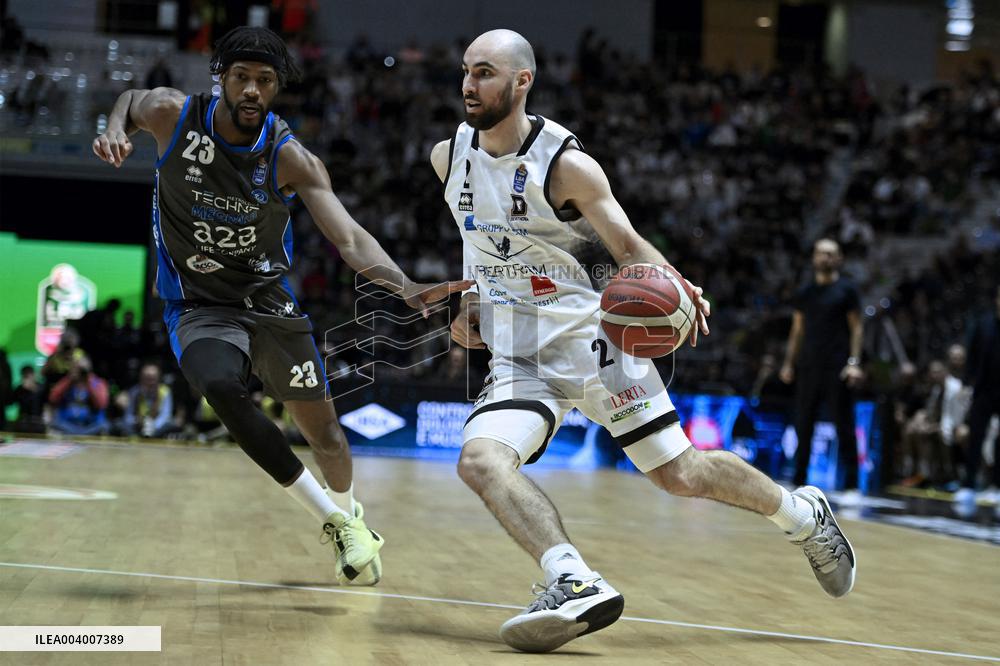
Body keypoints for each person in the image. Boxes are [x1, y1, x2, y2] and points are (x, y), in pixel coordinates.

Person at [434, 30, 856, 654]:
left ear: (523, 82)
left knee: (681, 475)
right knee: (479, 460)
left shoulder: (566, 165)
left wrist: (678, 287)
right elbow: (482, 238)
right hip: (520, 352)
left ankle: (803, 517)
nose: (470, 85)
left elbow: (628, 249)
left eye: (486, 73)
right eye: (467, 72)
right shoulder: (449, 157)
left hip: (594, 340)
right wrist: (472, 298)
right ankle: (572, 579)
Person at [92, 26, 470, 585]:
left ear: (276, 89)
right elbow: (128, 100)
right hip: (198, 305)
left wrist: (405, 285)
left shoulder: (292, 158)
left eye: (264, 81)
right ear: (221, 77)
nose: (251, 89)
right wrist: (114, 129)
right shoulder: (174, 115)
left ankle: (351, 514)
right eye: (241, 77)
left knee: (327, 438)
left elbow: (349, 238)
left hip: (268, 302)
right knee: (220, 385)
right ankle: (336, 524)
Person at [780, 238, 864, 491]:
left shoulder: (847, 290)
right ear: (814, 258)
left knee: (844, 424)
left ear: (838, 259)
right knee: (803, 423)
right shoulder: (805, 293)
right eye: (820, 253)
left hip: (838, 367)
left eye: (830, 254)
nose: (825, 258)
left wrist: (854, 362)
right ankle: (798, 479)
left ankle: (851, 485)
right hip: (808, 365)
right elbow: (797, 330)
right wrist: (788, 363)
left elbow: (857, 328)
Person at [954, 285, 1000, 515]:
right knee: (975, 438)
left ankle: (996, 485)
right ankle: (968, 485)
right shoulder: (983, 323)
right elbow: (972, 355)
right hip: (983, 390)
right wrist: (966, 383)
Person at [49, 356, 110, 435]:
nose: (80, 372)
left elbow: (101, 404)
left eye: (82, 370)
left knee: (104, 426)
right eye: (76, 368)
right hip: (67, 426)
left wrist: (88, 380)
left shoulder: (98, 383)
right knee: (54, 424)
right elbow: (53, 399)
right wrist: (70, 379)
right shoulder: (67, 382)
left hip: (91, 427)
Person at [119, 363, 176, 438]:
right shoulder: (134, 392)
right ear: (141, 378)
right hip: (137, 427)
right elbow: (128, 416)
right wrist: (138, 422)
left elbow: (165, 415)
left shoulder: (165, 391)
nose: (150, 381)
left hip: (157, 428)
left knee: (171, 425)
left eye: (153, 378)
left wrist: (153, 425)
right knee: (120, 425)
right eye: (147, 378)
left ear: (158, 378)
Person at [11, 366, 47, 434]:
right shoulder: (19, 389)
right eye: (25, 376)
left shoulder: (41, 388)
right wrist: (22, 390)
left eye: (29, 376)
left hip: (38, 421)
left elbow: (47, 401)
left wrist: (33, 389)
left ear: (34, 375)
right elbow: (11, 402)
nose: (28, 379)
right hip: (23, 421)